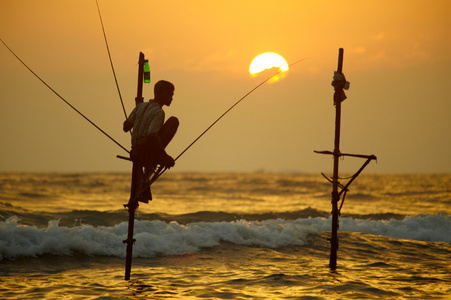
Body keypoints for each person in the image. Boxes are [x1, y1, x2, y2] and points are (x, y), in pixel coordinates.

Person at [123, 80, 179, 202]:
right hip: (145, 150)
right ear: (159, 94)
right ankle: (145, 179)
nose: (171, 98)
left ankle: (145, 179)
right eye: (169, 95)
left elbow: (125, 127)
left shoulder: (140, 106)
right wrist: (165, 156)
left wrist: (138, 113)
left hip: (135, 150)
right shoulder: (159, 112)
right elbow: (152, 136)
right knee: (174, 121)